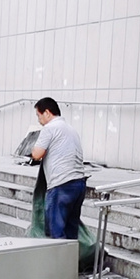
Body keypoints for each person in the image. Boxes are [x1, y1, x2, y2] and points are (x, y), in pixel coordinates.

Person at [27, 97, 88, 240]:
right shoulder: (71, 129)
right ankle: (71, 255)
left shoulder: (49, 128)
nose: (39, 120)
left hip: (61, 185)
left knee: (57, 232)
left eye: (38, 115)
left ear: (47, 113)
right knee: (71, 232)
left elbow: (37, 154)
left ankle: (59, 255)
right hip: (79, 184)